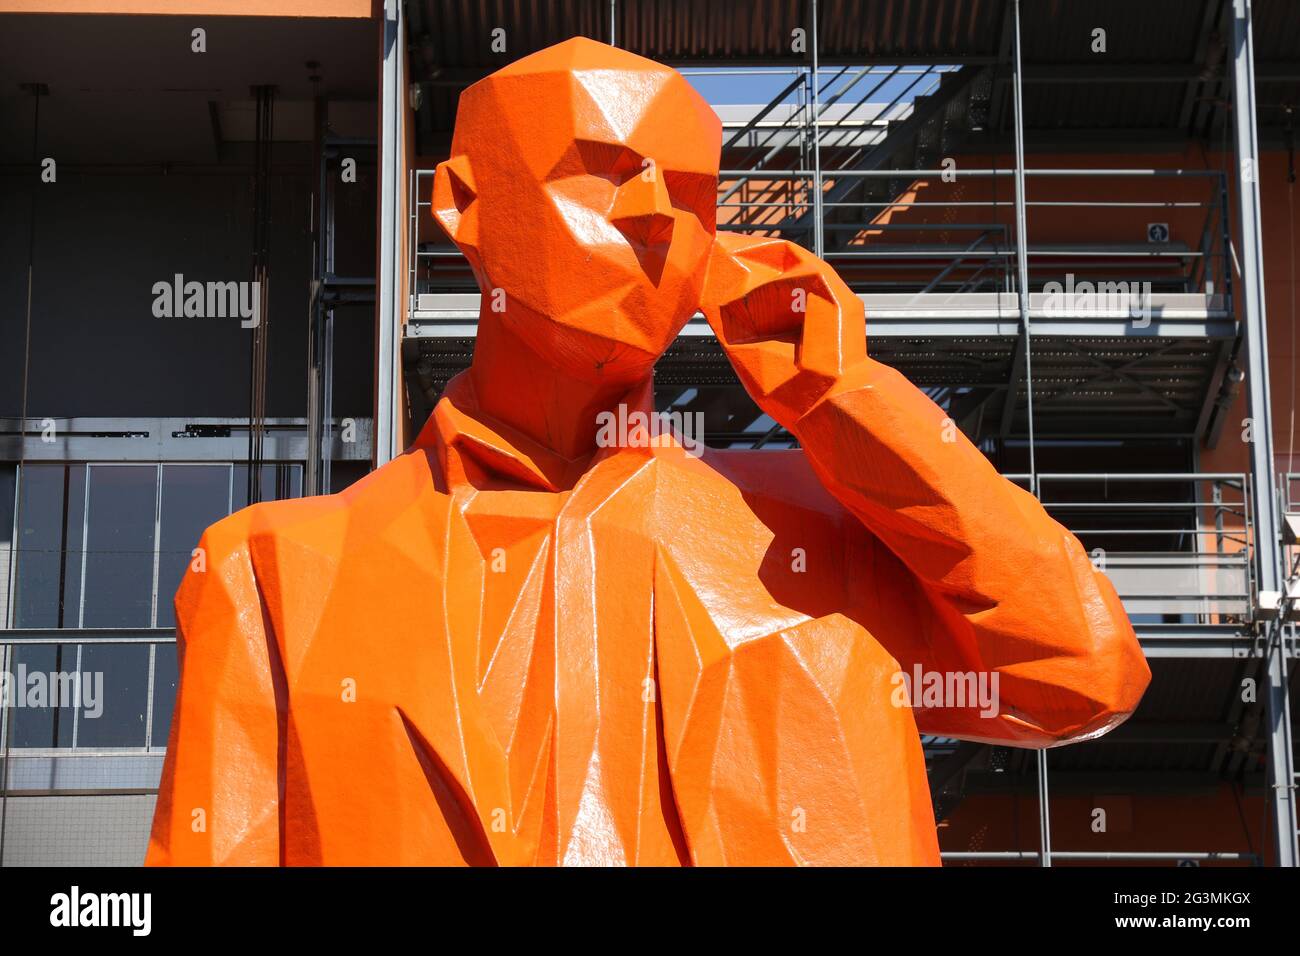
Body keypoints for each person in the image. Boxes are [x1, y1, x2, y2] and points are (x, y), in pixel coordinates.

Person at [147, 37, 1149, 866]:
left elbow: (1083, 671)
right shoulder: (270, 574)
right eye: (606, 175)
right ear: (462, 203)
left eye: (691, 194)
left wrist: (846, 397)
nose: (659, 221)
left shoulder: (812, 532)